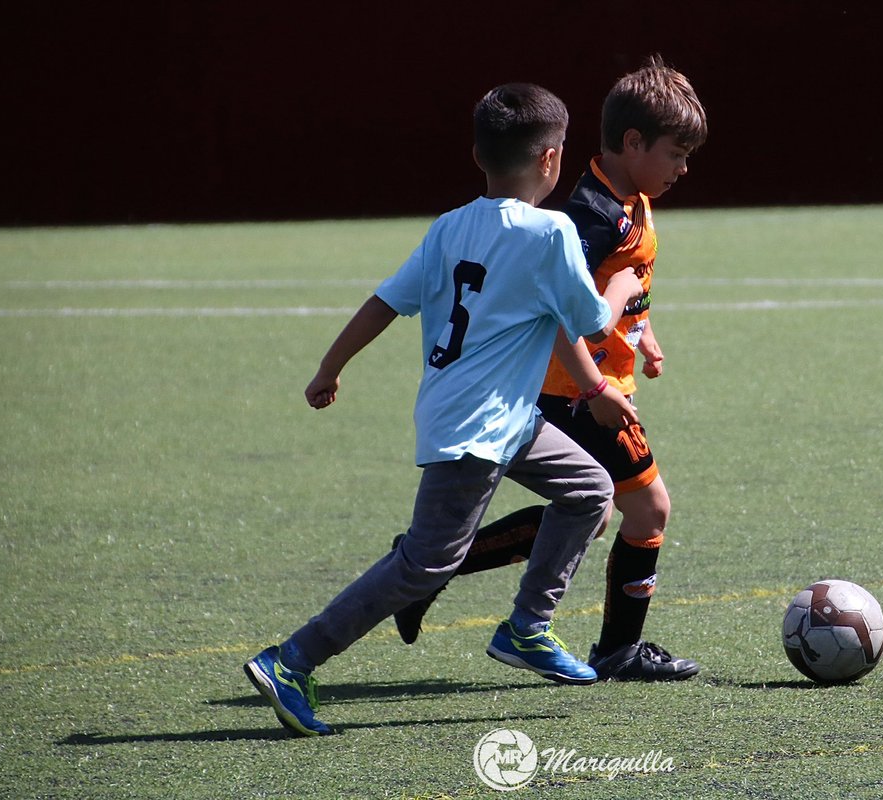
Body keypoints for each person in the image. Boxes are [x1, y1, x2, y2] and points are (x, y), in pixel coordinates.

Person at [243, 82, 645, 737]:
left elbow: (385, 302)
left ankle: (527, 628)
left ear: (478, 155)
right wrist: (623, 283)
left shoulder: (450, 226)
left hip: (499, 419)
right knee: (424, 564)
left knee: (589, 491)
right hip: (476, 430)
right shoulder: (551, 232)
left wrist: (330, 367)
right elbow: (593, 321)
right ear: (550, 160)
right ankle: (292, 660)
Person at [392, 55, 708, 682]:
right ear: (633, 142)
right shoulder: (591, 215)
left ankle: (428, 568)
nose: (683, 168)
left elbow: (622, 284)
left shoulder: (631, 197)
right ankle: (615, 649)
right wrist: (597, 385)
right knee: (648, 511)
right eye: (676, 153)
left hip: (589, 384)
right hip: (574, 391)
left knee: (594, 511)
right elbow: (567, 310)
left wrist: (642, 333)